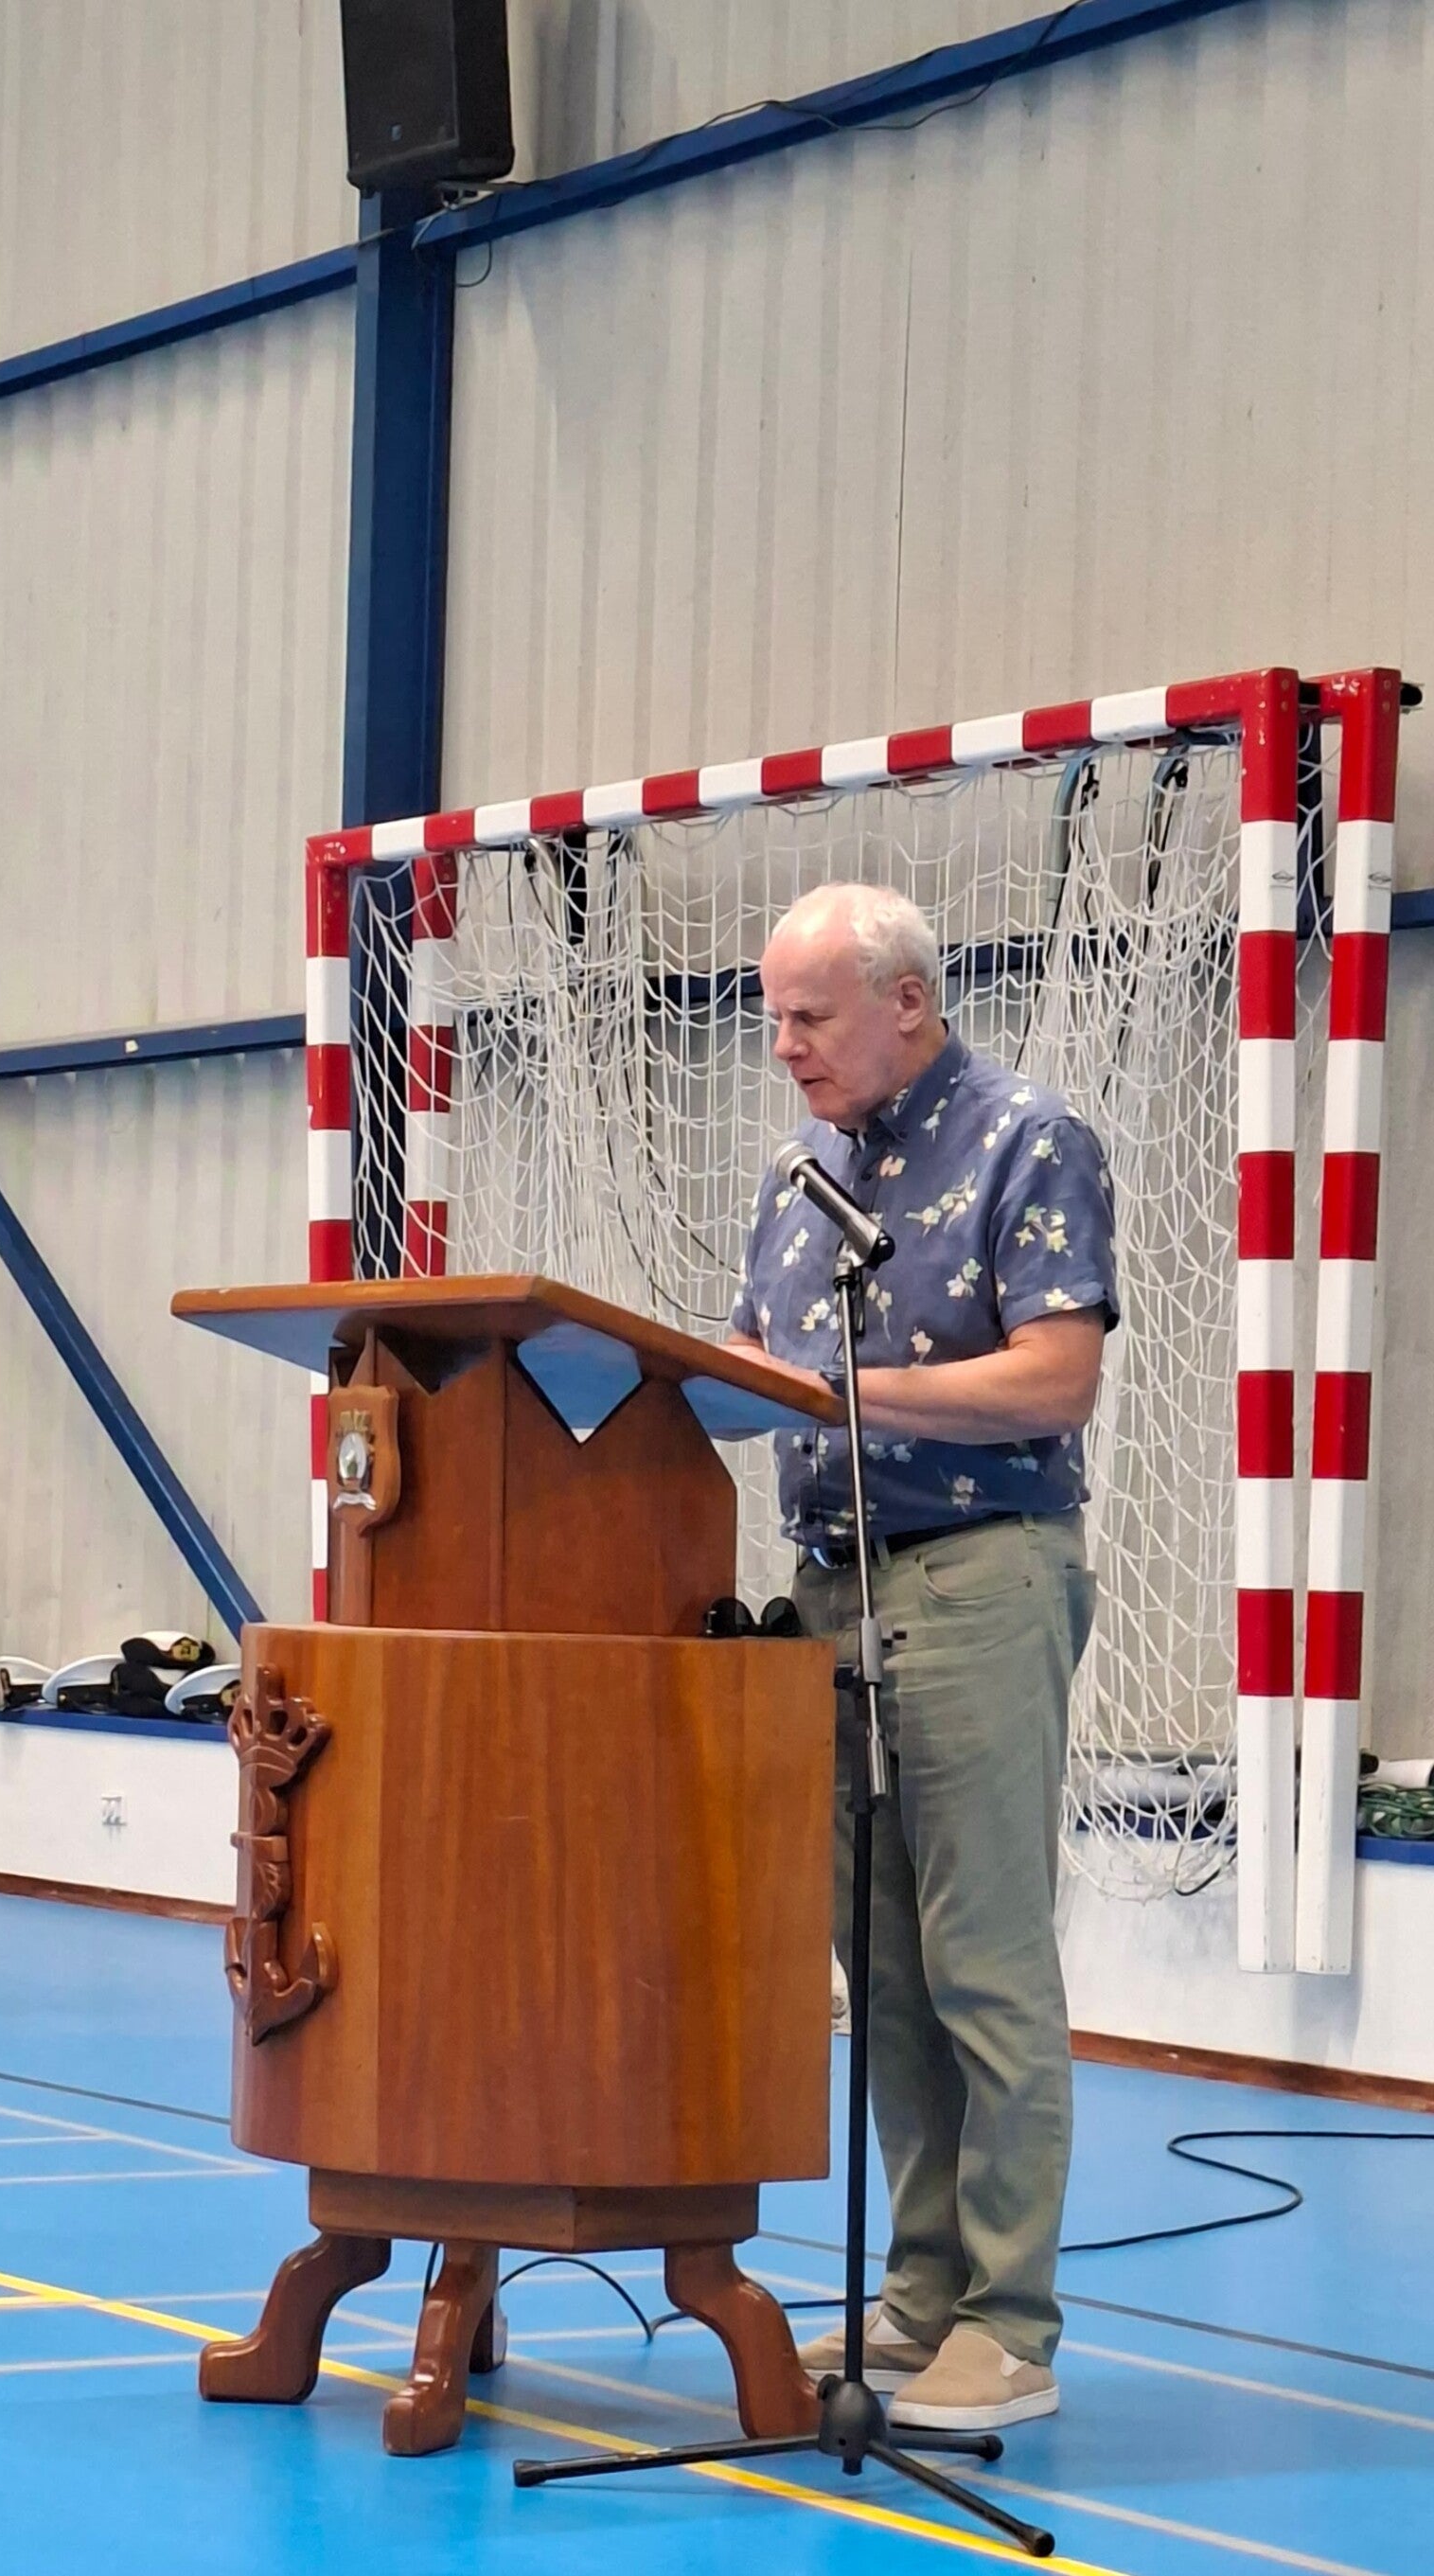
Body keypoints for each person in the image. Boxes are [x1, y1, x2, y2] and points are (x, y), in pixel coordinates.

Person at [726, 880, 1116, 2433]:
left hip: (977, 1576)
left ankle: (1010, 2323)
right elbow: (752, 1364)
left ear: (907, 1000)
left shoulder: (1029, 1137)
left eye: (809, 1015)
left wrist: (844, 1390)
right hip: (830, 1589)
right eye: (774, 1016)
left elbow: (1057, 1377)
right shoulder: (799, 1176)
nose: (785, 1045)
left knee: (984, 1960)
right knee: (880, 1966)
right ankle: (924, 2289)